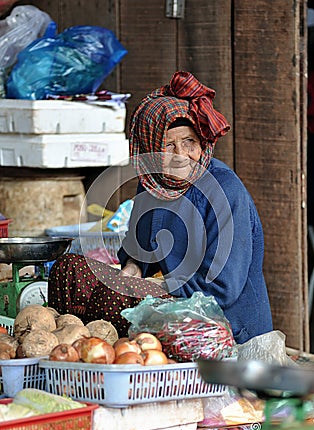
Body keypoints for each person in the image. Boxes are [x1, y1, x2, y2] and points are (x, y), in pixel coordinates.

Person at [48, 71, 273, 344]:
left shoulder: (225, 190)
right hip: (166, 298)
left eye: (189, 141)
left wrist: (150, 287)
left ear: (202, 142)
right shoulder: (152, 182)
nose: (181, 155)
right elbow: (138, 249)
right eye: (168, 145)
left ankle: (120, 350)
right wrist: (131, 270)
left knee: (111, 298)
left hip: (219, 322)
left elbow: (222, 290)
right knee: (69, 269)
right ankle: (79, 348)